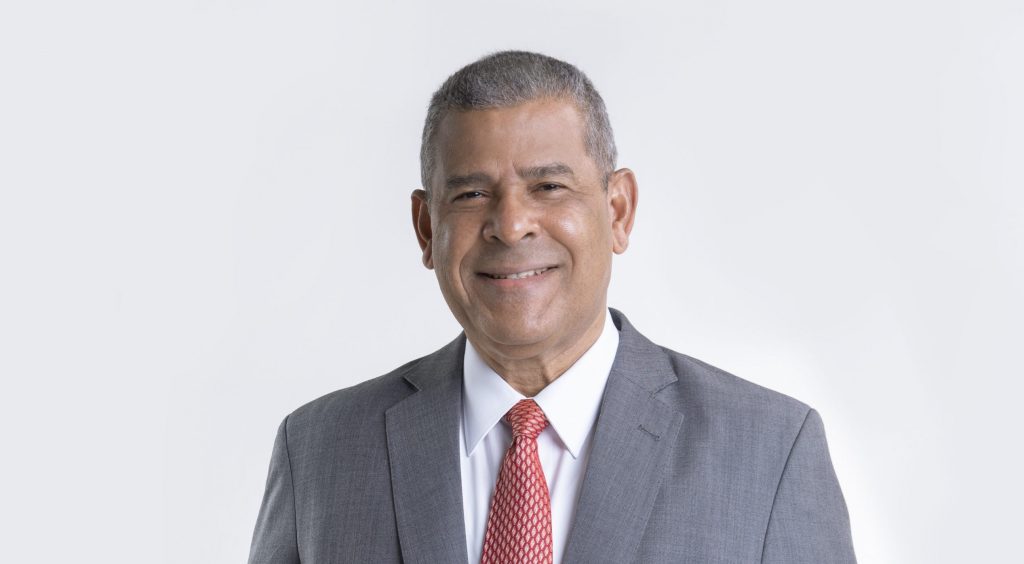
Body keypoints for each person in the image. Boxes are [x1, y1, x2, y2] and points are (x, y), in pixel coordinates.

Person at [248, 50, 857, 564]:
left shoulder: (770, 451)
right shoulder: (320, 450)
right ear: (426, 228)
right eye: (472, 193)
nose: (511, 224)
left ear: (618, 211)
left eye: (548, 186)